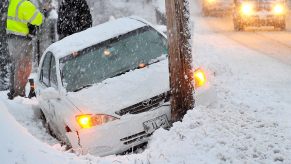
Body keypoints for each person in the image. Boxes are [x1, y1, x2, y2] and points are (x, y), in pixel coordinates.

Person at [6, 0, 44, 99]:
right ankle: (19, 94)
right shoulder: (25, 4)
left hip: (13, 39)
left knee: (15, 66)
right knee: (24, 68)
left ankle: (13, 91)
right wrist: (42, 13)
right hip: (22, 40)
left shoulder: (14, 2)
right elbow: (38, 19)